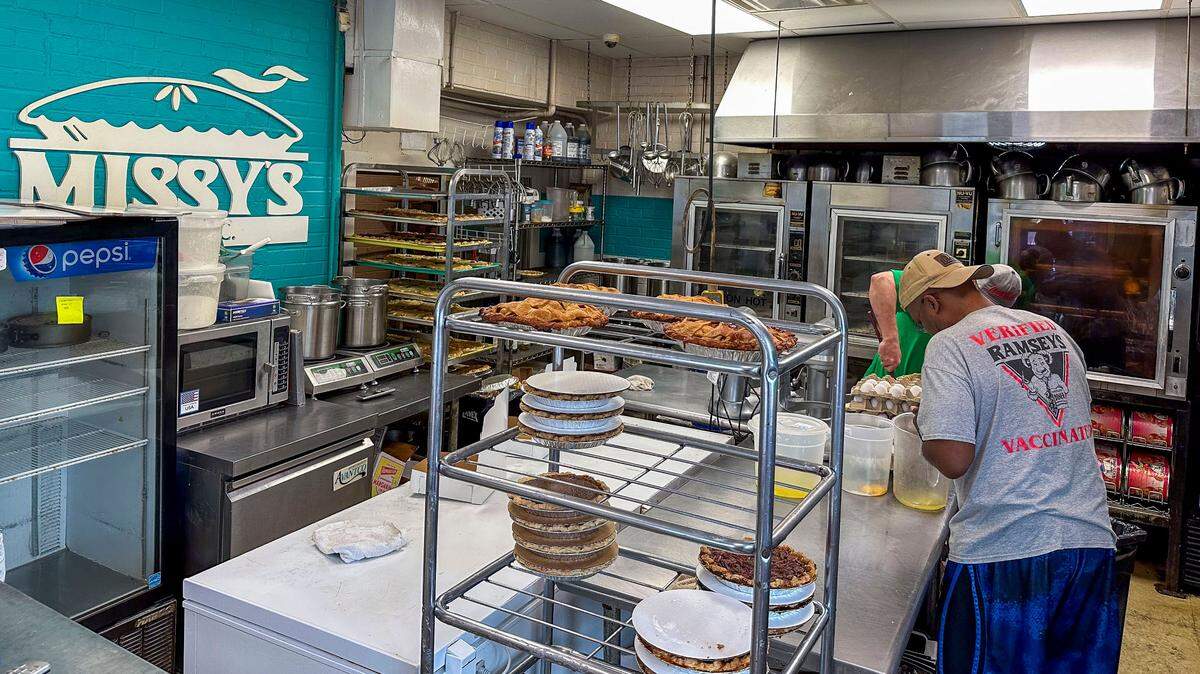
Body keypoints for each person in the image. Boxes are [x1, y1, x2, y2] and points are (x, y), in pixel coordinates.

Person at [899, 250, 1117, 673]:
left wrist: (923, 426)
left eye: (919, 321)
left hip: (1005, 550)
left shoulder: (950, 345)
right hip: (1089, 543)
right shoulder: (1051, 329)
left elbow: (953, 458)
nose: (924, 331)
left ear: (931, 302)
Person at [864, 263, 1021, 377]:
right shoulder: (935, 285)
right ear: (972, 286)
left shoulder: (989, 327)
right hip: (884, 384)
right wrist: (890, 339)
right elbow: (881, 281)